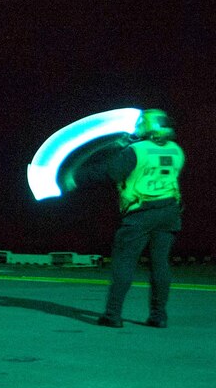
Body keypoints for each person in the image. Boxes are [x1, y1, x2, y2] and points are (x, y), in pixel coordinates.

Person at [71, 109, 185, 328]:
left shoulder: (135, 150)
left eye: (141, 122)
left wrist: (77, 177)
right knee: (160, 264)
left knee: (124, 263)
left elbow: (110, 172)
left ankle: (113, 315)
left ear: (148, 126)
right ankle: (158, 316)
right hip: (169, 211)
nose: (137, 126)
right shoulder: (176, 151)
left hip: (140, 212)